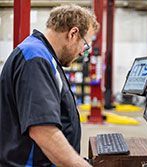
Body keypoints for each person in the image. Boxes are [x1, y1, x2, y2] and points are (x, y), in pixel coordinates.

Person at [0, 4, 98, 166]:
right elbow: (44, 132)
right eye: (85, 45)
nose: (82, 52)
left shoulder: (43, 55)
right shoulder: (35, 59)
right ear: (73, 33)